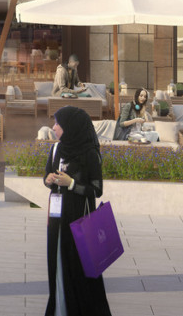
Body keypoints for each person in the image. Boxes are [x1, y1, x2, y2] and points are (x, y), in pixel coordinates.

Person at [44, 105, 112, 316]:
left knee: (79, 266)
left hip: (79, 219)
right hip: (57, 217)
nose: (54, 127)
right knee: (57, 262)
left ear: (70, 127)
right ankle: (60, 308)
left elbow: (97, 189)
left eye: (58, 124)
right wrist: (48, 180)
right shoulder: (56, 149)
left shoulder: (89, 153)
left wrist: (72, 183)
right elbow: (47, 176)